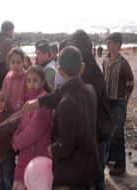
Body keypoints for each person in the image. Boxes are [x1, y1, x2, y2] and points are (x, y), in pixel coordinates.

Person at [48, 46, 99, 189]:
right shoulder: (90, 90)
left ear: (60, 71)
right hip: (87, 164)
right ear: (82, 67)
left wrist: (52, 149)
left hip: (72, 170)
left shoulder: (67, 103)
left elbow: (65, 144)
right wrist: (39, 102)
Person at [12, 65, 52, 190]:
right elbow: (22, 123)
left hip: (37, 152)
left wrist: (17, 142)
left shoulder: (42, 102)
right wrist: (15, 136)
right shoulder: (30, 99)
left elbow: (34, 130)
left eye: (35, 80)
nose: (31, 84)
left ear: (43, 82)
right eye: (28, 80)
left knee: (34, 183)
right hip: (27, 151)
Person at [102, 32, 134, 176]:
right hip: (108, 100)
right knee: (109, 130)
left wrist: (125, 98)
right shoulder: (105, 61)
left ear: (118, 45)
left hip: (119, 102)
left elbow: (130, 83)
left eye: (110, 43)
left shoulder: (123, 64)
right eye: (107, 42)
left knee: (118, 133)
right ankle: (111, 156)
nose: (107, 45)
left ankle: (121, 165)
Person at [2, 47, 27, 113]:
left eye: (18, 62)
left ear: (23, 62)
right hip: (8, 115)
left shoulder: (27, 78)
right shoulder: (8, 76)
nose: (15, 65)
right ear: (9, 62)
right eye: (13, 62)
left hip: (22, 116)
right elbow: (3, 95)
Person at [0, 20, 16, 88]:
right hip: (6, 72)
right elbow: (13, 58)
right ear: (9, 30)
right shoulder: (9, 42)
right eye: (12, 31)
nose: (13, 33)